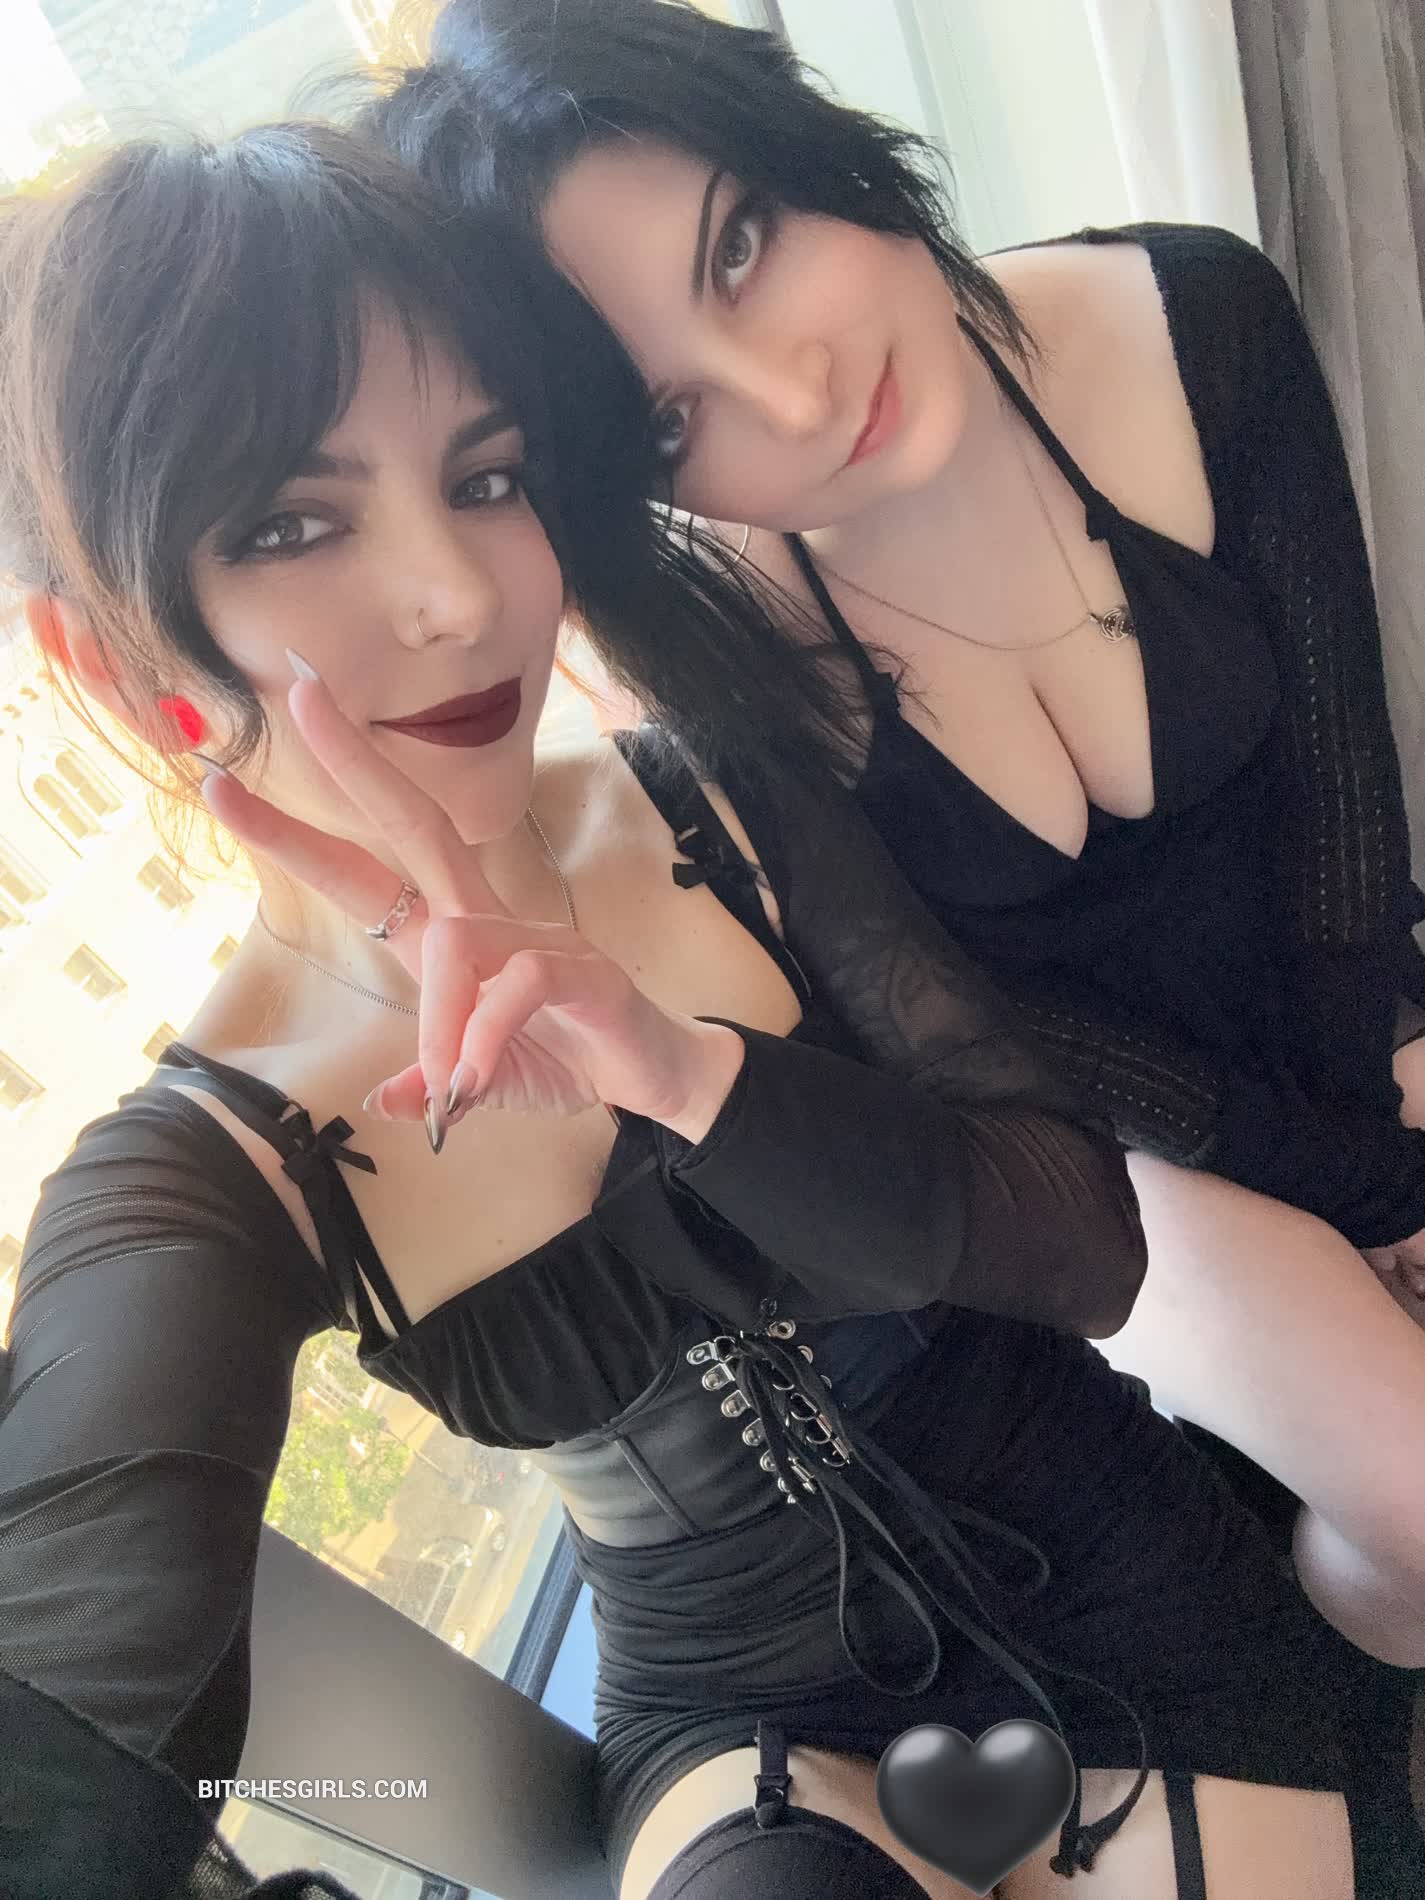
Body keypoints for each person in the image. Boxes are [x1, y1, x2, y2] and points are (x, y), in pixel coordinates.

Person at [0, 125, 1360, 1900]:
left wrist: (676, 1066)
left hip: (1127, 1567)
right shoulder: (210, 1162)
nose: (461, 595)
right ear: (111, 662)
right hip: (732, 1720)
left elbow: (1081, 1239)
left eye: (486, 477)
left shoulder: (722, 797)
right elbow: (67, 1698)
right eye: (289, 523)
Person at [366, 0, 1425, 1670]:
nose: (787, 394)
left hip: (1348, 1014)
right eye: (667, 425)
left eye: (740, 247)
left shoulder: (1190, 315)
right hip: (1125, 1155)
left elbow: (1341, 825)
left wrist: (1381, 1134)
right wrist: (1364, 1193)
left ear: (806, 145)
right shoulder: (727, 644)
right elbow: (1003, 1029)